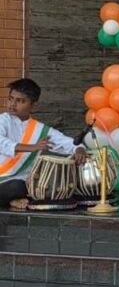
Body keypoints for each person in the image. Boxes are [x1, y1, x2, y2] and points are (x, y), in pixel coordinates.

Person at [0, 79, 86, 208]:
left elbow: (69, 143)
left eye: (20, 101)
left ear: (34, 106)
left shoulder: (41, 130)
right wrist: (32, 147)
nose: (13, 104)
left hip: (18, 183)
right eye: (11, 99)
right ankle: (10, 201)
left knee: (23, 187)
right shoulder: (3, 120)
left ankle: (11, 199)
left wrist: (79, 149)